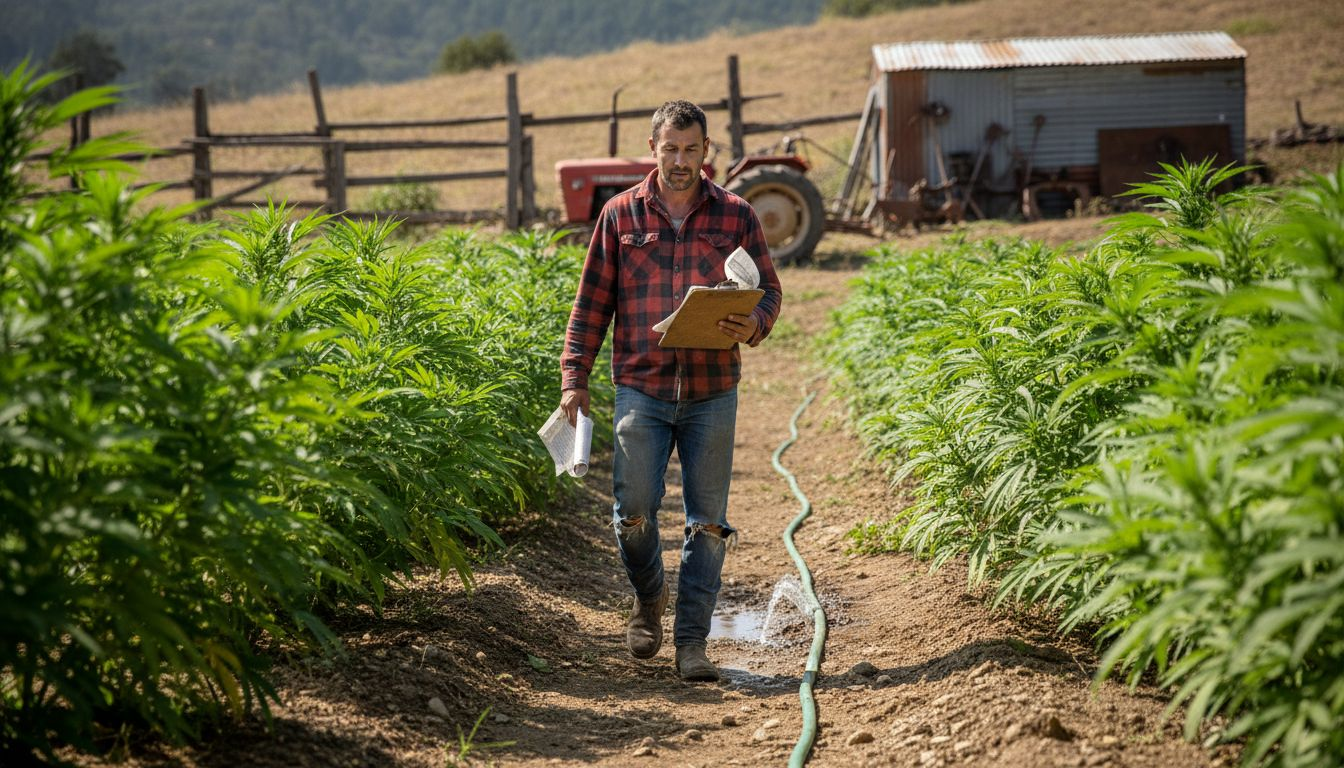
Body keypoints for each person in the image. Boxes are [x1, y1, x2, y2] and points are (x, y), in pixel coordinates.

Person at [558, 99, 782, 682]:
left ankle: (691, 644)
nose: (681, 161)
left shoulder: (736, 215)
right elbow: (590, 305)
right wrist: (573, 379)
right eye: (671, 149)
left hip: (712, 390)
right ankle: (649, 593)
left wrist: (752, 323)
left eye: (691, 149)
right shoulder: (620, 215)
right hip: (642, 387)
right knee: (632, 513)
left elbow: (769, 292)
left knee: (708, 524)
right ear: (653, 149)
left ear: (706, 151)